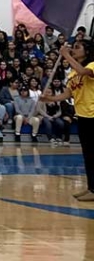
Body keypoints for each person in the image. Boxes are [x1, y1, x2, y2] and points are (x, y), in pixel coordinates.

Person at [41, 41, 94, 201]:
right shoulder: (72, 72)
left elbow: (84, 71)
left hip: (93, 115)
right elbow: (68, 94)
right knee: (88, 155)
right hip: (83, 115)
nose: (73, 49)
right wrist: (49, 98)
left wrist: (65, 55)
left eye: (77, 47)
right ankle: (91, 187)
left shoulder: (91, 65)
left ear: (88, 50)